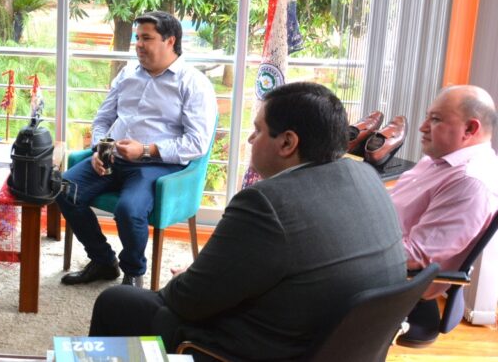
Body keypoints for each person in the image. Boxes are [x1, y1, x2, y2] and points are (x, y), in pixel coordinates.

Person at [89, 82, 407, 359]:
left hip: (263, 351)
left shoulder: (265, 203)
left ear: (287, 143)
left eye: (258, 130)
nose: (251, 139)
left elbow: (186, 301)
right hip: (334, 345)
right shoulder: (366, 175)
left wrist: (194, 277)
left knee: (118, 302)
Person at [57, 10, 217, 288]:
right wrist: (99, 149)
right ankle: (103, 261)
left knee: (129, 209)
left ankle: (133, 273)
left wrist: (145, 150)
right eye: (137, 38)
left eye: (147, 38)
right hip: (113, 157)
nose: (138, 45)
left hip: (156, 165)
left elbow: (196, 144)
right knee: (64, 189)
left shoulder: (193, 83)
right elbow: (103, 119)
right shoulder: (128, 73)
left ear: (170, 41)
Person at [389, 85, 498, 347]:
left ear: (470, 129)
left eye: (435, 119)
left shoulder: (469, 182)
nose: (422, 127)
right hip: (379, 248)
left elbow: (414, 257)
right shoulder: (440, 160)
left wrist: (346, 247)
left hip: (395, 282)